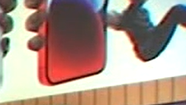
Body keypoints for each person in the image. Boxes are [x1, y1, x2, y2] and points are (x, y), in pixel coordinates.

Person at [26, 0, 186, 62]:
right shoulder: (128, 16)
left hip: (152, 40)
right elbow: (111, 17)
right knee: (178, 10)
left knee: (179, 10)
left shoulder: (137, 13)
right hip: (146, 49)